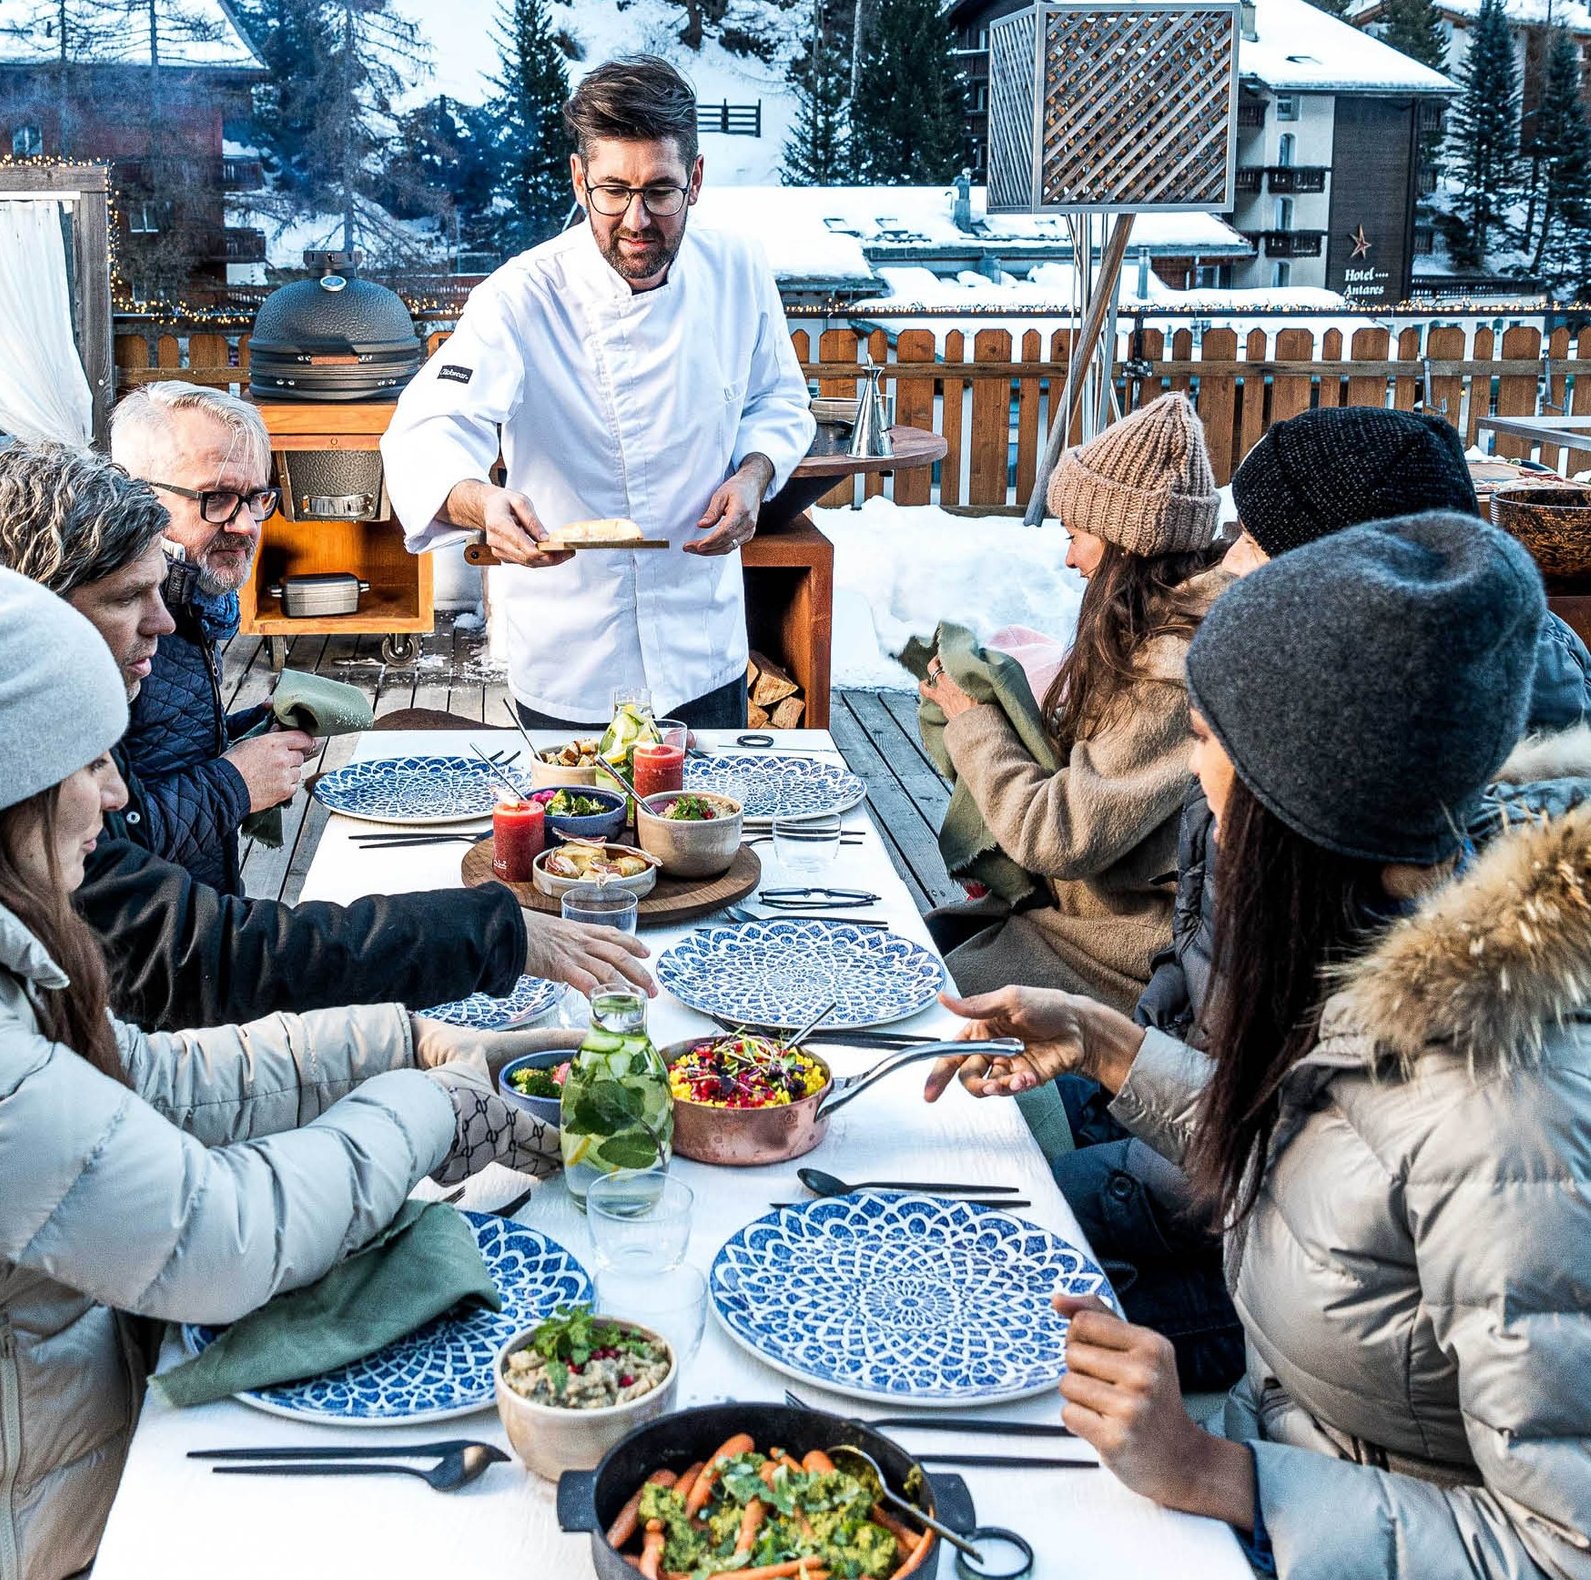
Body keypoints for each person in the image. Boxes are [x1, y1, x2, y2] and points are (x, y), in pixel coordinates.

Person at [927, 512, 1591, 1580]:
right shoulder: (1379, 948)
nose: (1191, 774)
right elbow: (1336, 1152)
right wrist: (1110, 1047)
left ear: (1296, 793)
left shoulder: (1509, 1121)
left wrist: (1222, 1469)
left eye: (1202, 736)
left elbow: (1563, 1546)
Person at [0, 567, 563, 1579]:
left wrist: (405, 1041)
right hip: (67, 1530)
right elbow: (221, 1233)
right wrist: (424, 1107)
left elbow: (156, 1079)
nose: (121, 793)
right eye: (91, 762)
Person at [1053, 406, 1591, 1392]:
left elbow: (1321, 1153)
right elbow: (1226, 997)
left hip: (1283, 1275)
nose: (1222, 560)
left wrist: (1231, 1473)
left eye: (1250, 542)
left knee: (1016, 1234)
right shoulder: (1296, 707)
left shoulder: (1373, 811)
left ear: (1352, 594)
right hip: (1213, 1134)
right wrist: (1121, 1057)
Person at [0, 441, 652, 1031]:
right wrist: (488, 933)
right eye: (125, 598)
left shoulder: (55, 722)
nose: (164, 623)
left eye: (260, 497)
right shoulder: (35, 772)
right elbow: (196, 958)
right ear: (28, 609)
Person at [380, 56, 814, 731]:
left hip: (699, 641)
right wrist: (484, 503)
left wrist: (754, 475)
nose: (636, 219)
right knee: (573, 833)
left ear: (695, 180)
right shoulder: (519, 297)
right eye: (613, 190)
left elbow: (777, 402)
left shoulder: (738, 269)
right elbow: (428, 430)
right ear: (579, 181)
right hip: (569, 652)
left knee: (699, 830)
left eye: (660, 191)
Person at [917, 393, 1230, 1011]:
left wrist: (976, 723)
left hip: (1119, 953)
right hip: (1081, 920)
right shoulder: (1152, 635)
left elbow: (1060, 835)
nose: (1069, 557)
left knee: (924, 1002)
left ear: (1123, 540)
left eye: (1077, 535)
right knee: (913, 947)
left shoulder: (1172, 675)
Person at [109, 381, 313, 894]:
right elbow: (104, 853)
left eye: (256, 497)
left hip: (197, 923)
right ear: (133, 492)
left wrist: (250, 730)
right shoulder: (104, 628)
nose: (245, 525)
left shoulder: (190, 596)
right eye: (216, 497)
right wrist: (236, 783)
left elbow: (159, 747)